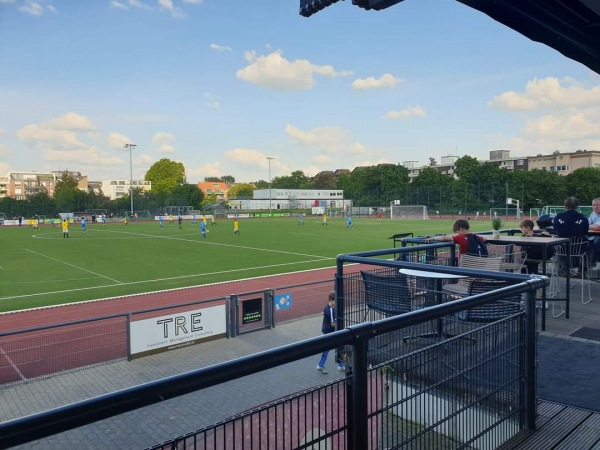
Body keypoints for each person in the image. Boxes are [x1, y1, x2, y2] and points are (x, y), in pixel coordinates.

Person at [554, 197, 591, 276]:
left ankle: (564, 269)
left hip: (563, 249)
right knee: (592, 246)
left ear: (564, 206)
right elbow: (585, 232)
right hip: (579, 249)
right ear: (577, 207)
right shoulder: (583, 218)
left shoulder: (557, 217)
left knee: (557, 246)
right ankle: (581, 270)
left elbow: (556, 230)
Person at [316, 292, 345, 374]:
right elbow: (333, 324)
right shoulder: (331, 310)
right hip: (330, 332)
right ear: (331, 301)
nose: (336, 303)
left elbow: (322, 313)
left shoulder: (327, 307)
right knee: (334, 347)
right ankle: (321, 365)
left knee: (335, 347)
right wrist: (339, 326)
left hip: (327, 331)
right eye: (335, 301)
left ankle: (340, 364)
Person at [588, 197, 600, 266]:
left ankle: (593, 262)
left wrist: (588, 226)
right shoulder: (593, 213)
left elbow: (597, 227)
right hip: (594, 235)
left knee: (595, 242)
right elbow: (588, 223)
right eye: (594, 205)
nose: (595, 207)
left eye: (598, 205)